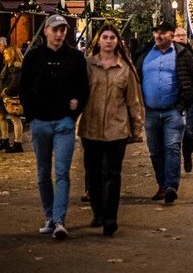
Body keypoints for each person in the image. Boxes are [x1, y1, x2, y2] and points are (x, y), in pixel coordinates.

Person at [20, 14, 89, 240]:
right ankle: (49, 216)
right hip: (40, 122)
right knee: (42, 172)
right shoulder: (33, 57)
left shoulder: (75, 58)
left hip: (63, 123)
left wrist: (74, 110)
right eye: (55, 30)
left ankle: (59, 219)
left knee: (62, 172)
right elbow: (24, 88)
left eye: (62, 30)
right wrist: (32, 115)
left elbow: (83, 88)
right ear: (46, 32)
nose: (59, 34)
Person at [79, 24, 144, 236]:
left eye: (112, 38)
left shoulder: (125, 68)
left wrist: (137, 126)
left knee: (112, 173)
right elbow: (78, 95)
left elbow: (133, 100)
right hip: (91, 127)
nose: (108, 41)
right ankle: (97, 211)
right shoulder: (88, 65)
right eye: (105, 37)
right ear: (98, 40)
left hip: (117, 127)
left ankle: (110, 217)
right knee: (94, 173)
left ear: (118, 41)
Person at [135, 21, 193, 205]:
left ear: (171, 35)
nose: (158, 36)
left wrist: (182, 104)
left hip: (173, 111)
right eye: (156, 32)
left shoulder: (183, 54)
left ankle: (171, 186)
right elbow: (135, 78)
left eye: (163, 33)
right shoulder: (145, 54)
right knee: (155, 151)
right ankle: (162, 184)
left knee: (172, 147)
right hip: (150, 112)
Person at [172, 26, 193, 173]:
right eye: (177, 35)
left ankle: (187, 154)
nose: (180, 37)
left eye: (183, 35)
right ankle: (175, 160)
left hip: (188, 100)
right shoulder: (168, 56)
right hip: (172, 101)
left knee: (189, 131)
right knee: (173, 134)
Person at [0, 45, 24, 153]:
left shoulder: (16, 67)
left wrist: (6, 91)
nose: (4, 55)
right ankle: (5, 140)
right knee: (0, 116)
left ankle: (17, 143)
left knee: (15, 119)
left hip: (10, 96)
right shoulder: (7, 65)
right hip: (3, 96)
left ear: (12, 54)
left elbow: (15, 83)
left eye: (6, 53)